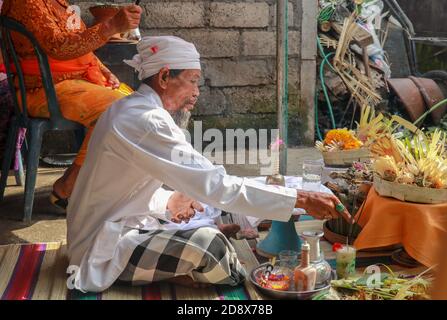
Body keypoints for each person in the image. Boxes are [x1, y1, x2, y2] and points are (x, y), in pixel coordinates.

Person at [67, 36, 352, 292]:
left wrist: (168, 200)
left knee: (217, 211)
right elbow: (215, 184)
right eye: (192, 80)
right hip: (103, 248)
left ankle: (188, 254)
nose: (197, 91)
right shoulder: (145, 120)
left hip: (128, 223)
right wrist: (299, 198)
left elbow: (119, 187)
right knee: (212, 246)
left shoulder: (133, 108)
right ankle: (183, 267)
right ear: (165, 76)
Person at [1, 0, 142, 208]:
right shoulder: (27, 3)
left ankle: (107, 187)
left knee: (138, 106)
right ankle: (68, 187)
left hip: (72, 84)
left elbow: (81, 46)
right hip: (42, 90)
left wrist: (103, 71)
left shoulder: (60, 4)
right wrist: (110, 27)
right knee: (120, 109)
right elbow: (59, 46)